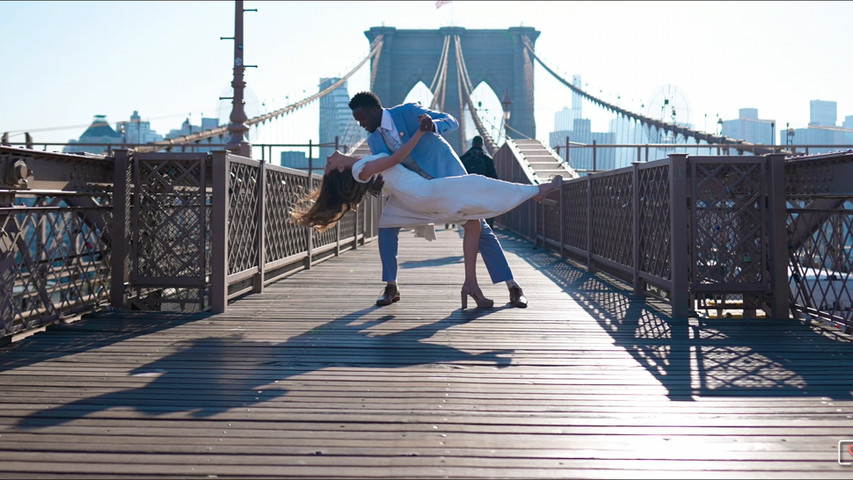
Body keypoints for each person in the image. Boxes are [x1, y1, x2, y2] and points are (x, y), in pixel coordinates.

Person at [290, 127, 562, 309]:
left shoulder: (362, 167)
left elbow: (381, 180)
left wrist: (374, 188)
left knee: (473, 222)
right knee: (477, 183)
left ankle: (471, 284)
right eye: (328, 163)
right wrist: (420, 131)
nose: (328, 156)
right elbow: (398, 157)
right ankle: (538, 190)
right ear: (339, 167)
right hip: (424, 193)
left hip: (414, 198)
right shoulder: (361, 167)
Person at [346, 91, 532, 309]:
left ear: (374, 110)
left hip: (447, 177)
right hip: (415, 191)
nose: (361, 124)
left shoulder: (408, 112)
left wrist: (431, 124)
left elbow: (451, 121)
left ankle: (513, 287)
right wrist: (376, 188)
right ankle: (391, 286)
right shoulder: (374, 139)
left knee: (480, 228)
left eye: (362, 119)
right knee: (387, 223)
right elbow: (385, 169)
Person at [459, 135, 498, 227]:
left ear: (472, 144)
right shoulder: (488, 159)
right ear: (482, 145)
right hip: (484, 193)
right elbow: (494, 179)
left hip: (467, 195)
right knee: (486, 216)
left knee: (470, 219)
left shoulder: (463, 159)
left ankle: (470, 229)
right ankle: (487, 227)